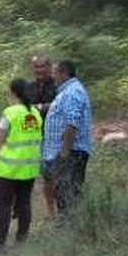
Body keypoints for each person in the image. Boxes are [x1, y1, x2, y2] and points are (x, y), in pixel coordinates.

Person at [0, 78, 43, 249]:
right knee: (24, 204)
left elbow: (0, 138)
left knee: (4, 206)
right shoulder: (35, 113)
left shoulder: (10, 112)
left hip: (9, 169)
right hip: (29, 169)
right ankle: (21, 241)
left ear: (13, 92)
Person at [42, 59, 93, 216]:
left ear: (64, 73)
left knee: (68, 193)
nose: (53, 75)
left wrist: (64, 151)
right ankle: (69, 226)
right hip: (68, 152)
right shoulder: (68, 91)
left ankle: (70, 228)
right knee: (65, 192)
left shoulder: (72, 92)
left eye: (55, 72)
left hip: (71, 152)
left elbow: (72, 123)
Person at [27, 54, 57, 218]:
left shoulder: (58, 85)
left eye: (42, 66)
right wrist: (42, 107)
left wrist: (37, 107)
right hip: (35, 136)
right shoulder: (29, 87)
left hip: (55, 136)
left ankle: (64, 210)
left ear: (50, 67)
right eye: (36, 67)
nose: (39, 70)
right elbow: (24, 109)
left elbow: (57, 106)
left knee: (57, 175)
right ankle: (50, 212)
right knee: (46, 176)